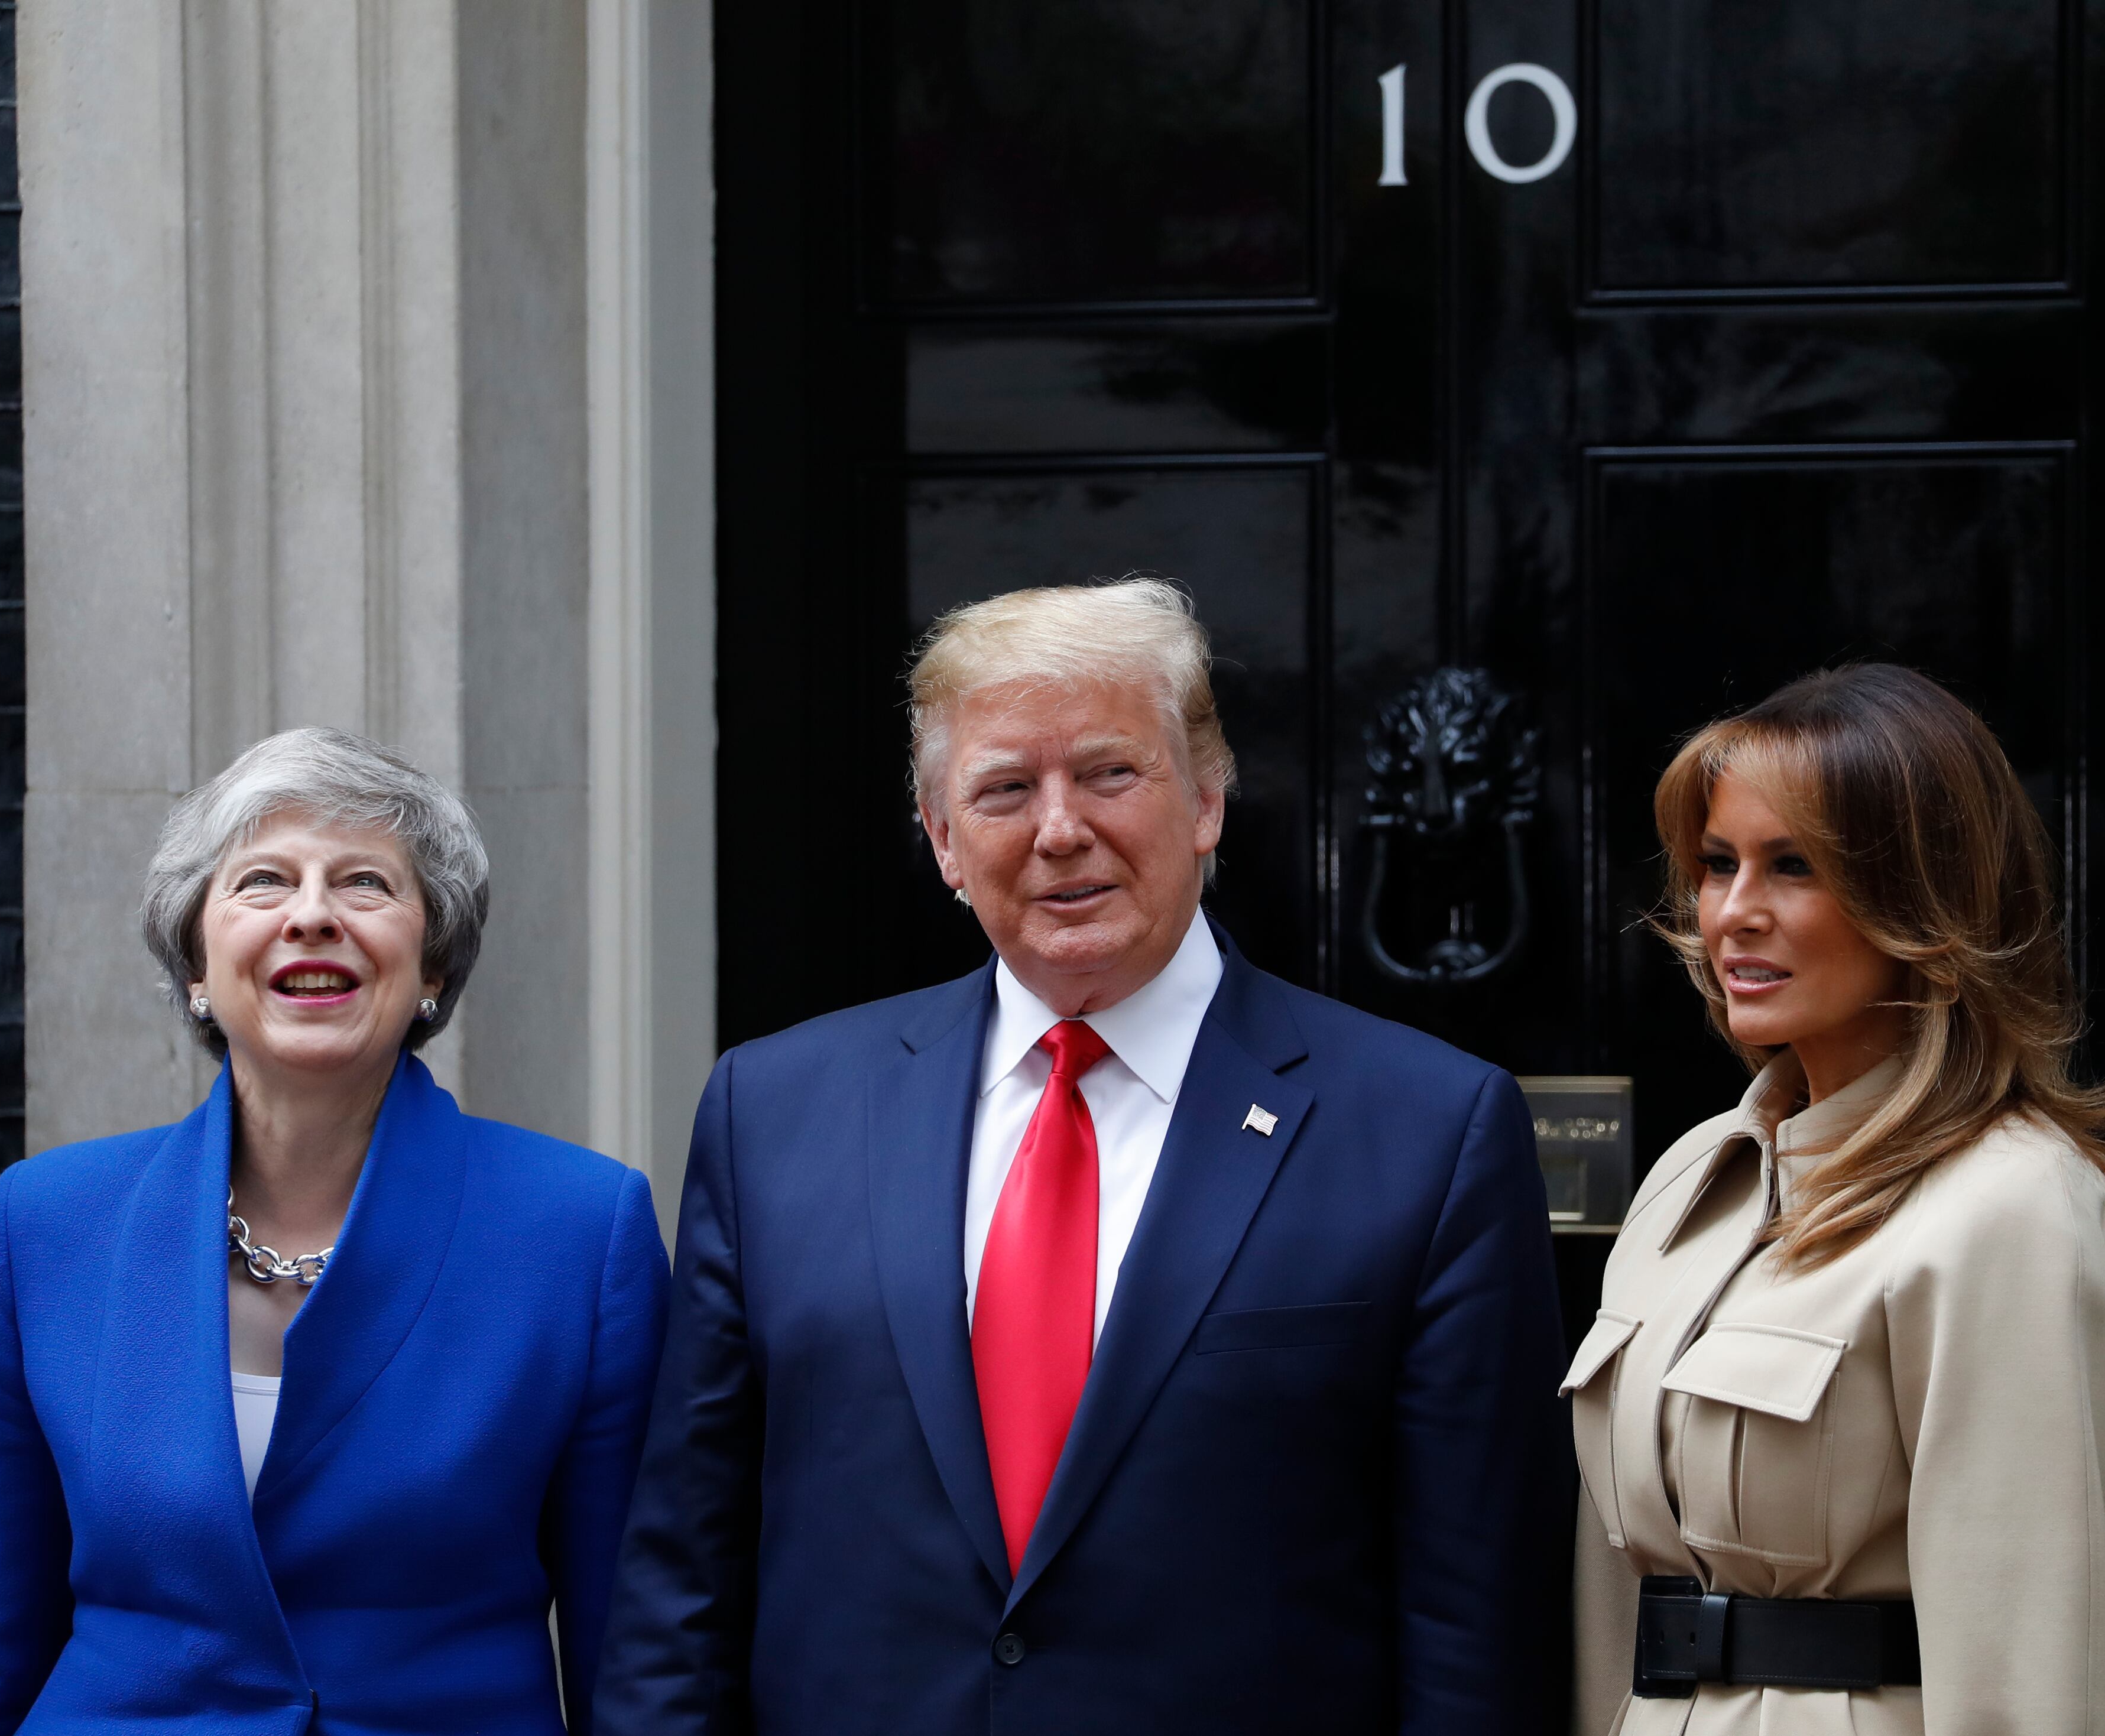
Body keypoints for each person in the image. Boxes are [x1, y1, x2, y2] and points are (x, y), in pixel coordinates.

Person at [595, 579, 1566, 1732]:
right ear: (944, 841)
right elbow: (680, 1578)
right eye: (1006, 788)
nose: (1061, 828)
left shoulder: (1428, 1128)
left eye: (1110, 772)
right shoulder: (774, 1110)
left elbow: (1477, 1625)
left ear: (1206, 797)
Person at [0, 728, 669, 1735]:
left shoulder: (583, 1232)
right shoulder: (51, 1221)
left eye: (366, 883)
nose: (313, 915)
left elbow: (624, 1645)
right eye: (263, 881)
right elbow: (8, 1636)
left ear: (432, 963)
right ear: (197, 960)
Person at [1568, 665, 2105, 1736]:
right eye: (1717, 864)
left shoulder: (2010, 1204)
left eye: (1794, 866)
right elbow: (1620, 1607)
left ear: (1924, 895)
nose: (1734, 913)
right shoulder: (1690, 1179)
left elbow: (2032, 1671)